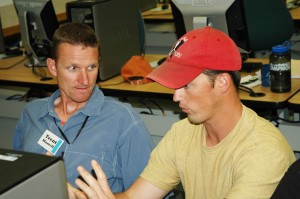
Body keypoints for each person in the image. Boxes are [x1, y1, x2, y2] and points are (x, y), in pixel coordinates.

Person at [69, 26, 296, 199]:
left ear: (222, 83)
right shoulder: (183, 132)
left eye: (186, 85)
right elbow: (134, 197)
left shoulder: (262, 152)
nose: (176, 96)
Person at [12, 22, 154, 193]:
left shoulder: (123, 121)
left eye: (91, 67)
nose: (85, 80)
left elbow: (152, 194)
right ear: (52, 67)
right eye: (73, 68)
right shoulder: (31, 114)